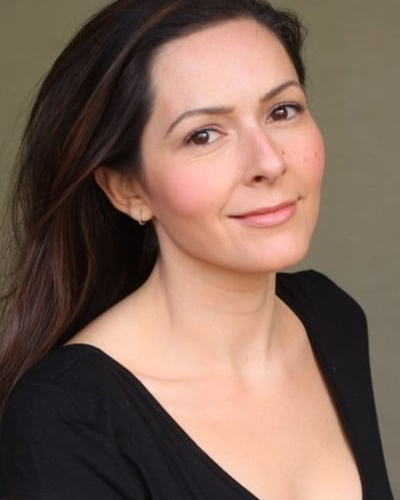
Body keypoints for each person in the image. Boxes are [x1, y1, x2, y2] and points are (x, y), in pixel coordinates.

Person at [0, 0, 394, 499]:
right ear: (128, 190)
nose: (269, 162)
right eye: (203, 135)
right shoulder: (67, 418)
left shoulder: (331, 319)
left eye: (282, 110)